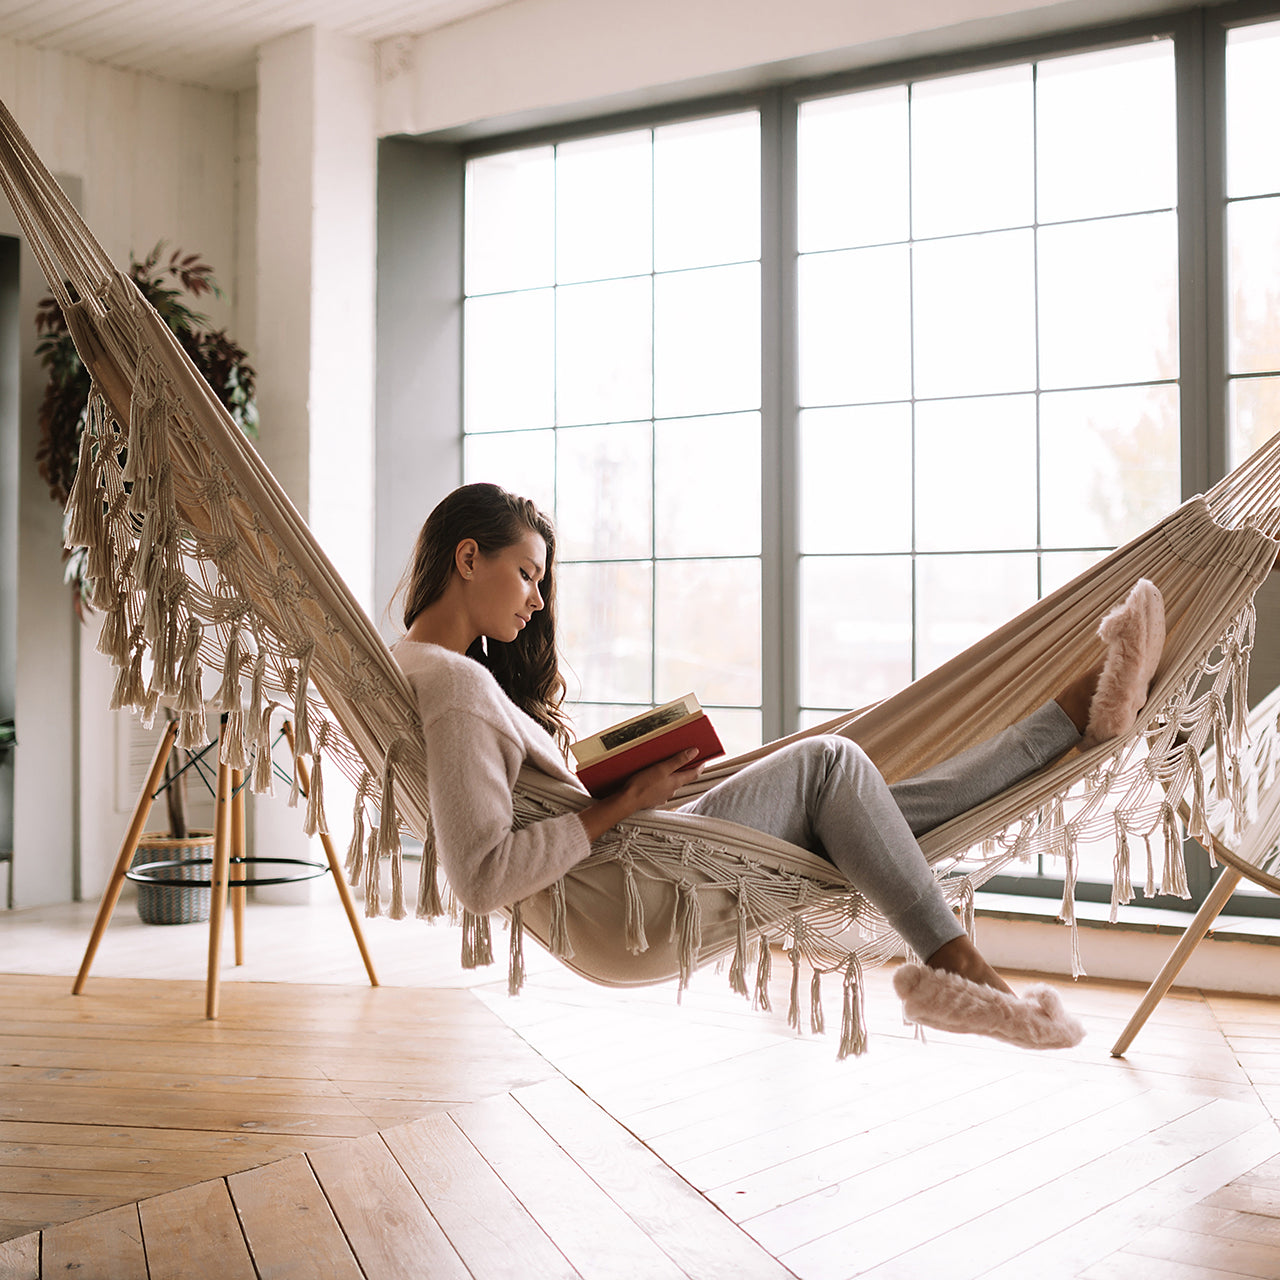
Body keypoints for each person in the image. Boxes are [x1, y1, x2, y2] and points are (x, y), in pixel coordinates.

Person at [391, 483, 1165, 1050]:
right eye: (528, 574)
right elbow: (480, 876)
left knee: (869, 813)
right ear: (469, 557)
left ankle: (1073, 723)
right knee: (831, 764)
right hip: (638, 884)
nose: (536, 602)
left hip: (634, 872)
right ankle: (954, 958)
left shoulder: (429, 671)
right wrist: (623, 802)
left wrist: (620, 781)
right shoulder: (457, 687)